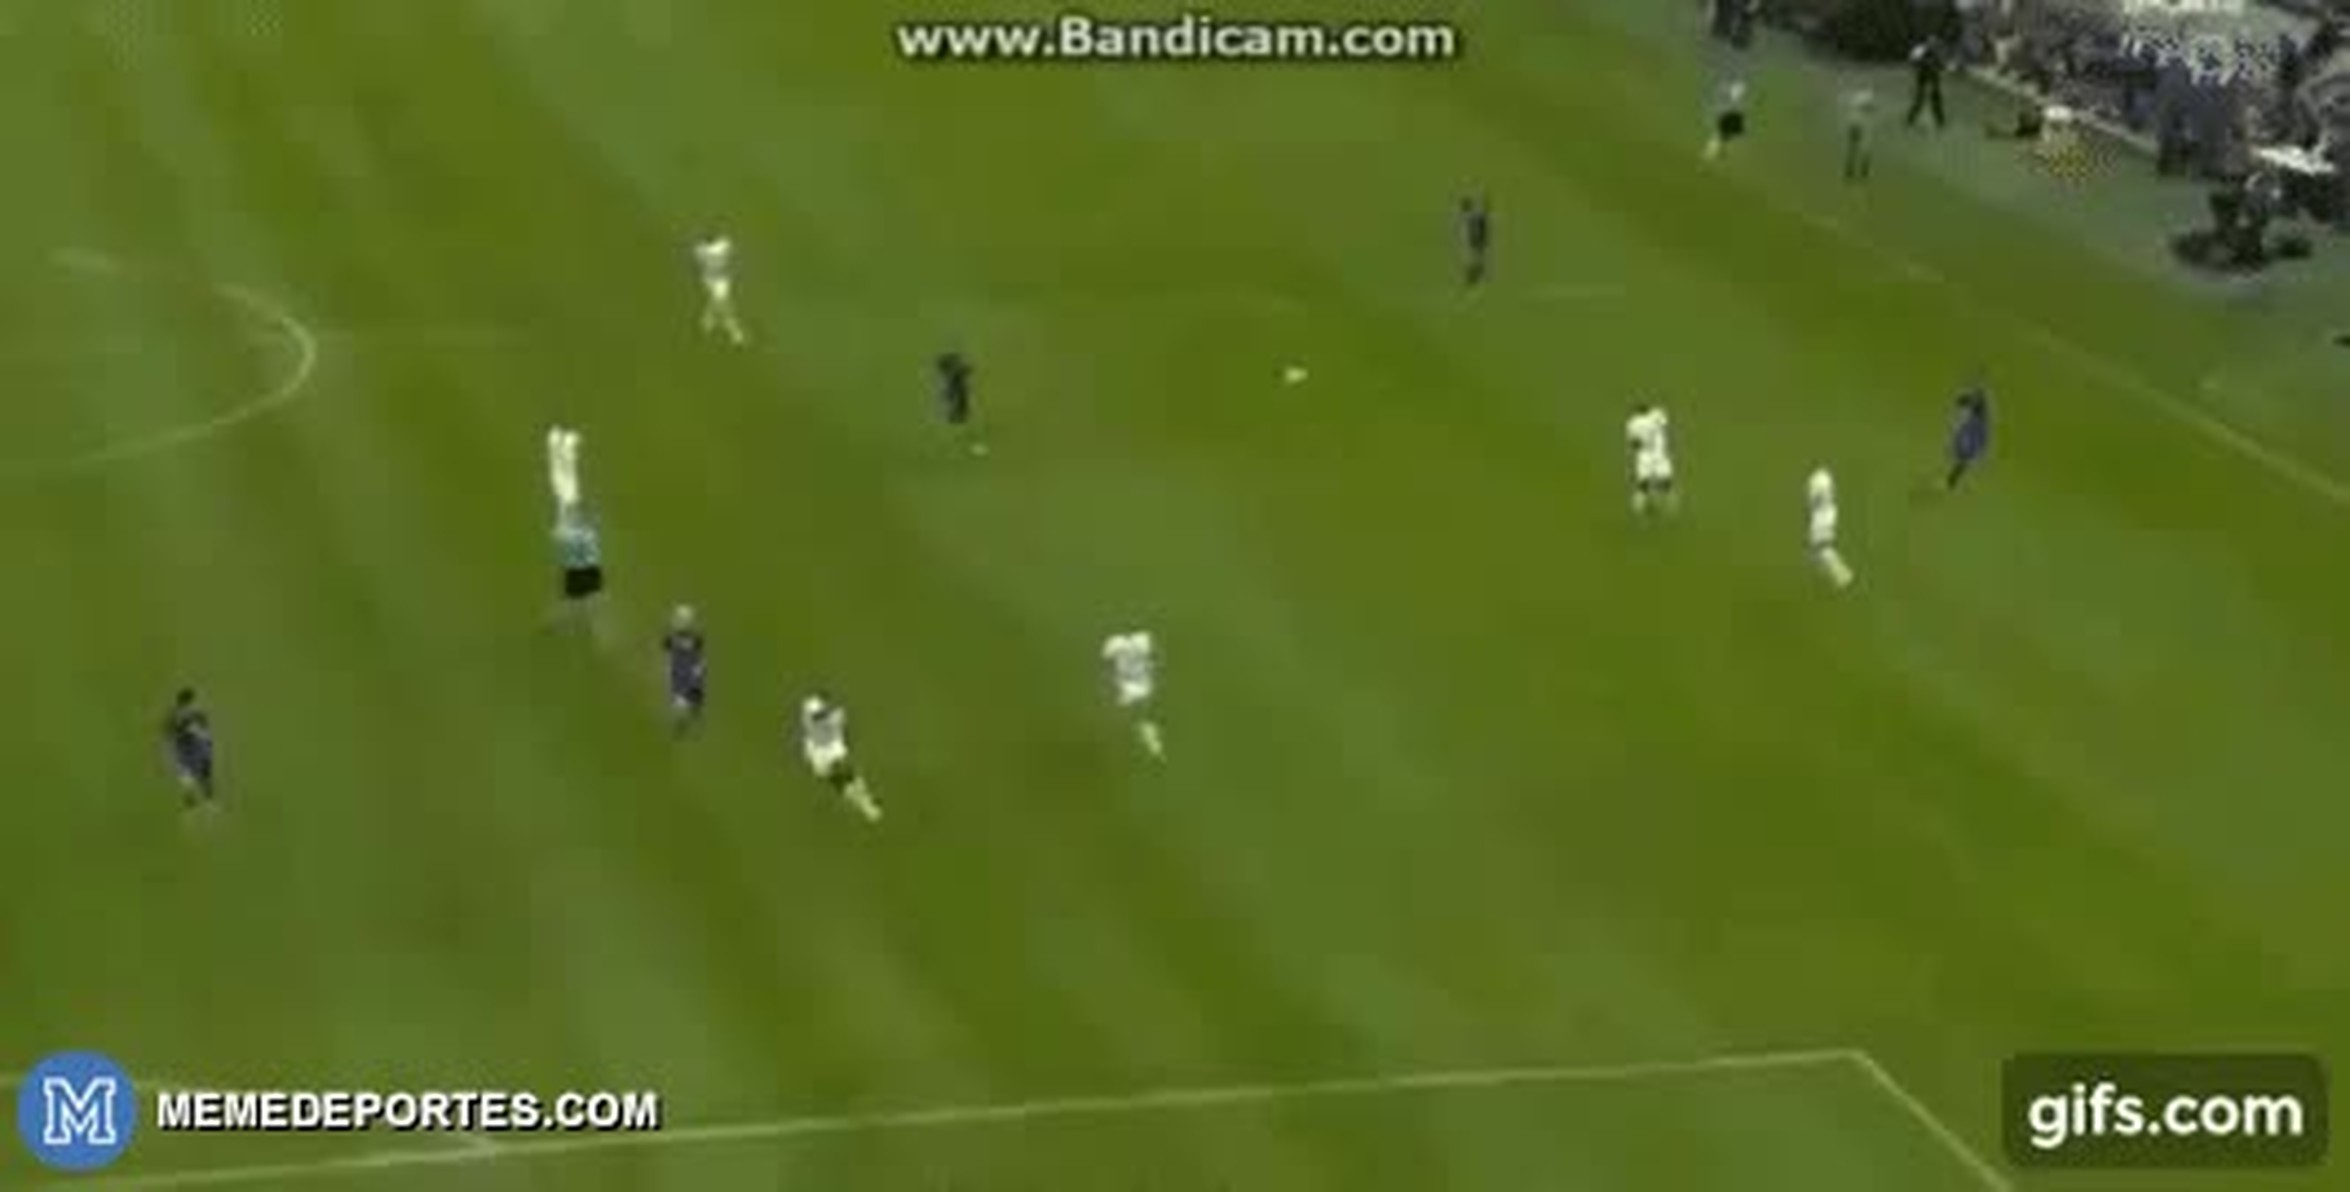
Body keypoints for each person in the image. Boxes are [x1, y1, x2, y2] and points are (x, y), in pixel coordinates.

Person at [1101, 630, 1164, 759]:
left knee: (1144, 721)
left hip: (1137, 690)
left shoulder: (1137, 647)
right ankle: (1152, 746)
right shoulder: (1122, 649)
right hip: (1134, 690)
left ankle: (1153, 746)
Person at [693, 234, 746, 344]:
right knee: (724, 304)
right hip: (710, 280)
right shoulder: (700, 249)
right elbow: (702, 264)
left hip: (722, 279)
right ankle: (735, 331)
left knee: (718, 302)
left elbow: (729, 259)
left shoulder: (723, 245)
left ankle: (707, 322)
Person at [1626, 403, 1678, 516]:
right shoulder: (1657, 414)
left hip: (1645, 455)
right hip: (1660, 454)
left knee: (1642, 484)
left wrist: (1640, 443)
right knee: (1666, 482)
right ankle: (1671, 506)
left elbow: (1634, 444)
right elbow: (1664, 424)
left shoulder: (1632, 423)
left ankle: (1638, 507)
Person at [1908, 36, 1949, 130]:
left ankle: (1941, 122)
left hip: (1933, 78)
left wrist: (1940, 66)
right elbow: (1913, 62)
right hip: (1923, 78)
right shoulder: (1920, 51)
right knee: (1919, 101)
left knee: (1936, 101)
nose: (1933, 45)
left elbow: (1942, 66)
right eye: (1931, 43)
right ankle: (1910, 120)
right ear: (1927, 43)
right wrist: (1923, 64)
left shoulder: (1937, 53)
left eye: (1934, 44)